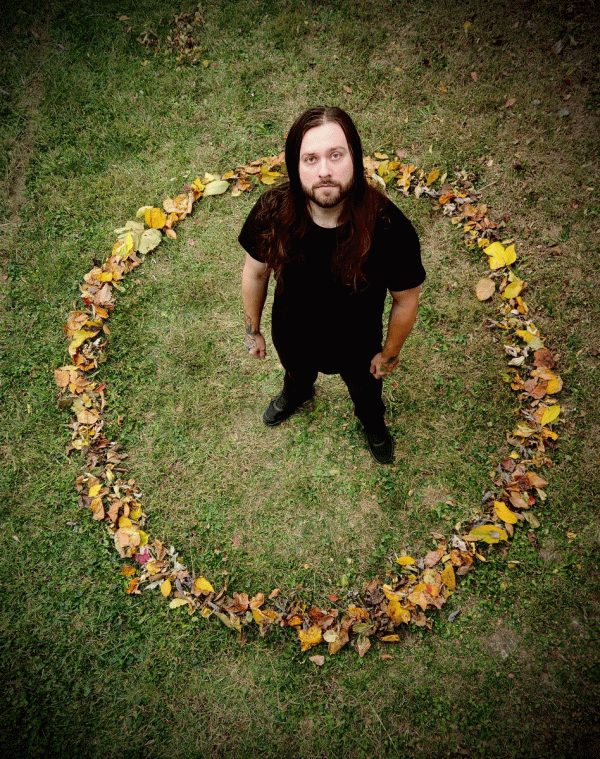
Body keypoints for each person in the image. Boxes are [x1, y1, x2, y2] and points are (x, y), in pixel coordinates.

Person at [239, 106, 425, 465]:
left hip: (358, 345)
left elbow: (406, 299)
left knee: (367, 393)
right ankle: (296, 394)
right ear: (295, 165)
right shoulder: (271, 211)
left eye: (335, 155)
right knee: (295, 374)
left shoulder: (389, 227)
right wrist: (253, 330)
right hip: (291, 332)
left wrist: (389, 353)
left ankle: (372, 422)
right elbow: (255, 273)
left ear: (355, 157)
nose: (324, 171)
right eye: (310, 159)